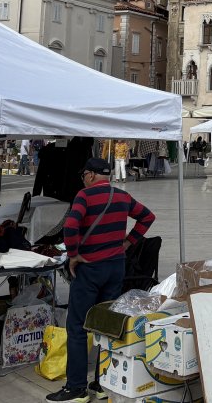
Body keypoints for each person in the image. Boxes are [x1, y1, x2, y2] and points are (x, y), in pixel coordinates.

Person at [51, 158, 155, 403]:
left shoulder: (84, 196)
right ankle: (101, 382)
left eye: (83, 176)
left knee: (77, 327)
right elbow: (147, 217)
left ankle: (76, 388)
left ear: (89, 175)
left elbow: (70, 227)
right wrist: (128, 242)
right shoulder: (122, 196)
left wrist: (73, 255)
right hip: (116, 268)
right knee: (106, 326)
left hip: (90, 269)